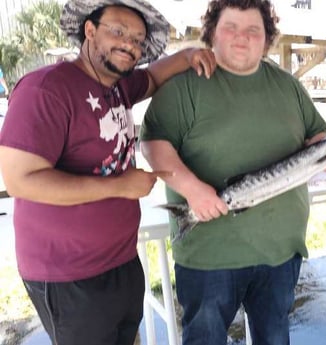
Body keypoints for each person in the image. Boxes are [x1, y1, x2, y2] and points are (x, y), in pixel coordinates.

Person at [0, 0, 217, 344]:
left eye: (137, 39)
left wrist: (190, 55)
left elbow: (156, 75)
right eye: (118, 31)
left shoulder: (117, 87)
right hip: (69, 274)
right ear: (89, 30)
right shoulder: (46, 89)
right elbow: (19, 180)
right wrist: (119, 186)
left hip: (122, 261)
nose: (129, 44)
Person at [140, 0, 326, 344]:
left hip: (280, 249)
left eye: (254, 30)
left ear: (267, 39)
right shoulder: (183, 86)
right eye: (231, 28)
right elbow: (154, 144)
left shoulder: (288, 85)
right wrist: (191, 189)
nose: (242, 38)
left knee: (275, 336)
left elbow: (316, 136)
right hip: (210, 253)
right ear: (211, 34)